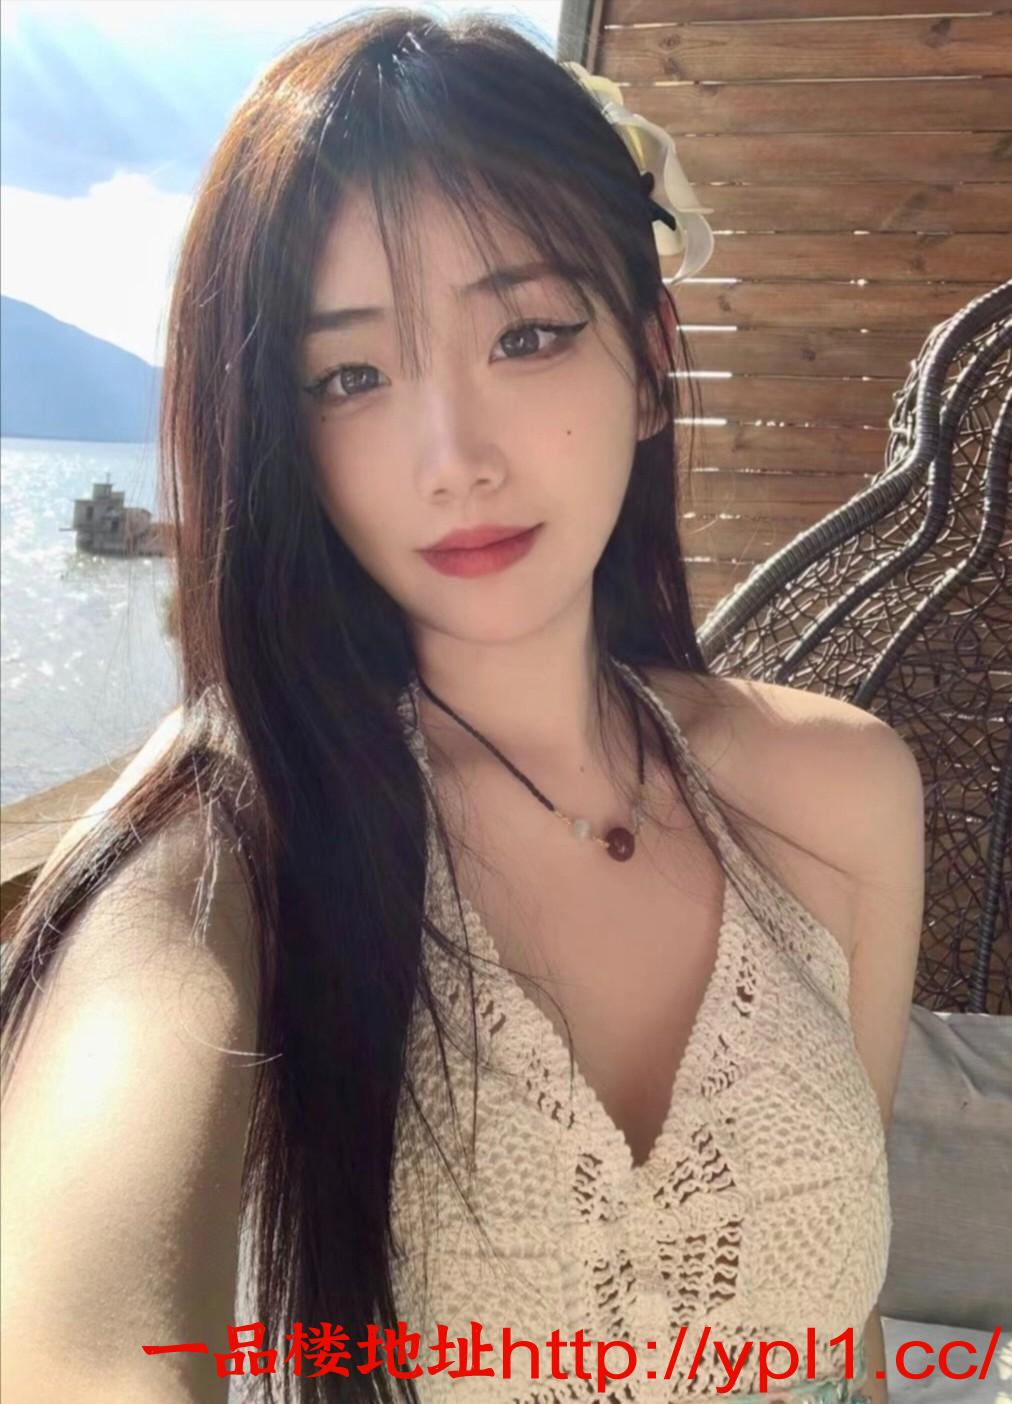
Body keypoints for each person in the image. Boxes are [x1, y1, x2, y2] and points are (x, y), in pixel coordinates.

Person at [0, 9, 925, 1404]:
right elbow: (75, 1334)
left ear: (650, 359)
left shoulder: (839, 797)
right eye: (352, 376)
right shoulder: (226, 854)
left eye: (529, 334)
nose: (453, 459)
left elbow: (845, 1342)